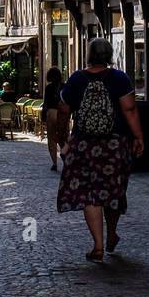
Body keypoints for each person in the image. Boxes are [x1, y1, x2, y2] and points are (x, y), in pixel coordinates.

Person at [56, 37, 144, 262]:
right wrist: (138, 137)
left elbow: (64, 110)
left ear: (89, 55)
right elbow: (130, 109)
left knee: (89, 194)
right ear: (109, 56)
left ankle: (97, 245)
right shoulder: (119, 79)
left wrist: (62, 138)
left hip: (84, 145)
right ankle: (111, 232)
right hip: (114, 145)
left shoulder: (76, 79)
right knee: (113, 191)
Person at [43, 66, 64, 172]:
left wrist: (43, 117)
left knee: (51, 139)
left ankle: (55, 163)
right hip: (62, 114)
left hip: (51, 112)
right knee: (63, 138)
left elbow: (46, 102)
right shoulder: (65, 86)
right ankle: (66, 159)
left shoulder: (49, 88)